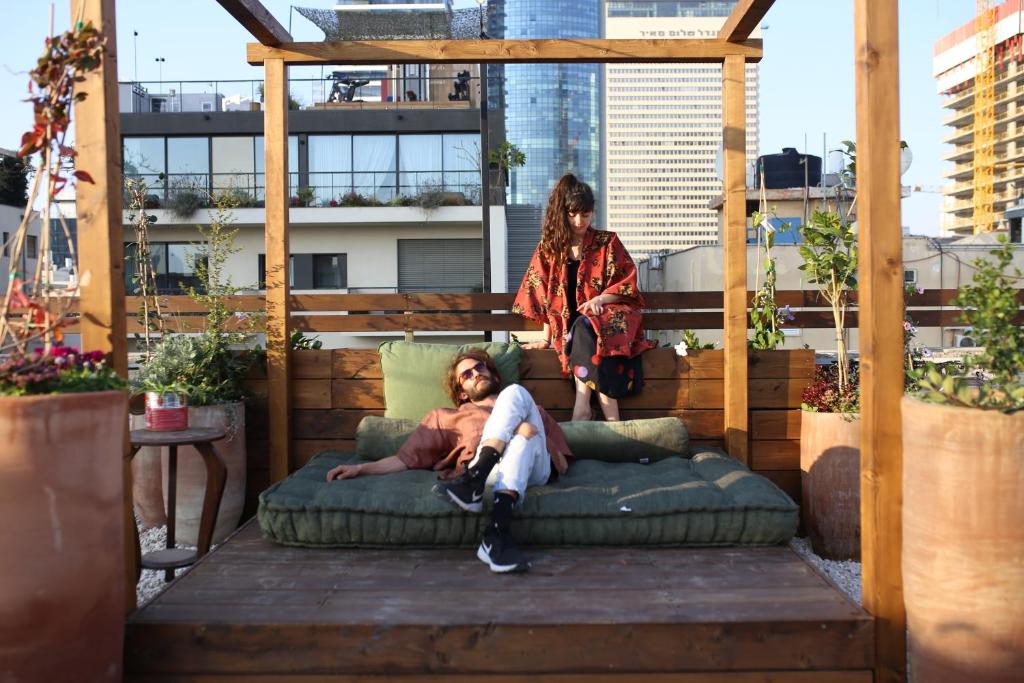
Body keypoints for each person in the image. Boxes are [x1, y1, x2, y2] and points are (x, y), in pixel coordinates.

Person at [325, 349, 571, 574]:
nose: (476, 373)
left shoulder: (532, 409)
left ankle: (471, 482)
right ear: (462, 392)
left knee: (516, 393)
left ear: (493, 374)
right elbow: (405, 459)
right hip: (496, 475)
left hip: (535, 470)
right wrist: (360, 468)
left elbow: (561, 463)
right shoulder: (447, 417)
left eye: (480, 367)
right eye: (467, 374)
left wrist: (529, 432)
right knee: (518, 438)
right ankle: (495, 537)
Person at [513, 173, 655, 422]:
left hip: (610, 318)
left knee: (587, 324)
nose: (579, 221)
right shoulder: (550, 248)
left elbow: (627, 285)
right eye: (572, 214)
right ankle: (611, 414)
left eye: (586, 215)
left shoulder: (608, 242)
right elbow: (544, 295)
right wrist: (545, 339)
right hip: (574, 329)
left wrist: (600, 300)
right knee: (581, 327)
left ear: (593, 212)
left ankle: (581, 406)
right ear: (563, 212)